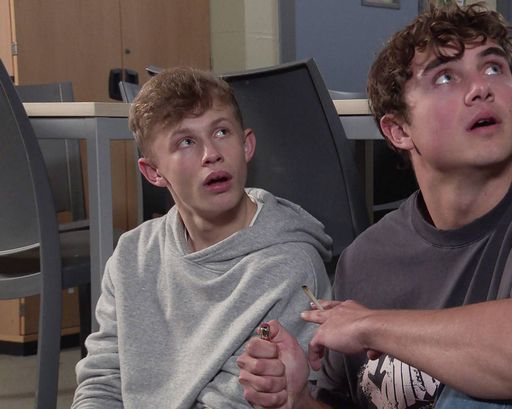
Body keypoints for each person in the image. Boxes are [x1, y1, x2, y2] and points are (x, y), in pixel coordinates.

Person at [237, 3, 512, 409]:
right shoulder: (365, 260)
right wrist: (297, 400)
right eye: (446, 77)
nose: (481, 88)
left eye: (493, 68)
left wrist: (371, 325)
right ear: (399, 130)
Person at [71, 67, 332, 408]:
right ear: (153, 172)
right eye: (186, 142)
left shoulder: (290, 265)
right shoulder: (131, 255)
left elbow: (254, 399)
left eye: (221, 132)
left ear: (246, 145)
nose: (212, 153)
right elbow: (102, 382)